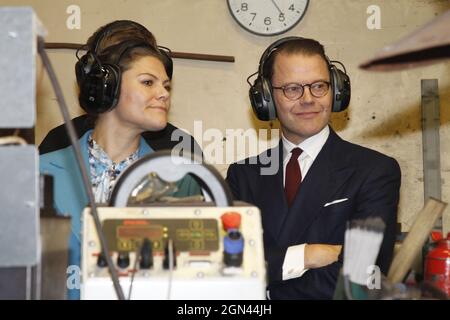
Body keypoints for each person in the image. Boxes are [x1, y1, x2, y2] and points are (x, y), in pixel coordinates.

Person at [226, 37, 401, 299]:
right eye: (293, 89)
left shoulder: (375, 171)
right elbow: (230, 268)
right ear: (266, 98)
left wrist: (267, 290)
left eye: (319, 86)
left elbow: (362, 276)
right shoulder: (243, 176)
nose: (308, 99)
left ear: (337, 91)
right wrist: (307, 255)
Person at [40, 20, 201, 299]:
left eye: (166, 86)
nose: (163, 93)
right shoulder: (38, 172)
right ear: (107, 87)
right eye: (148, 82)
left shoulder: (181, 181)